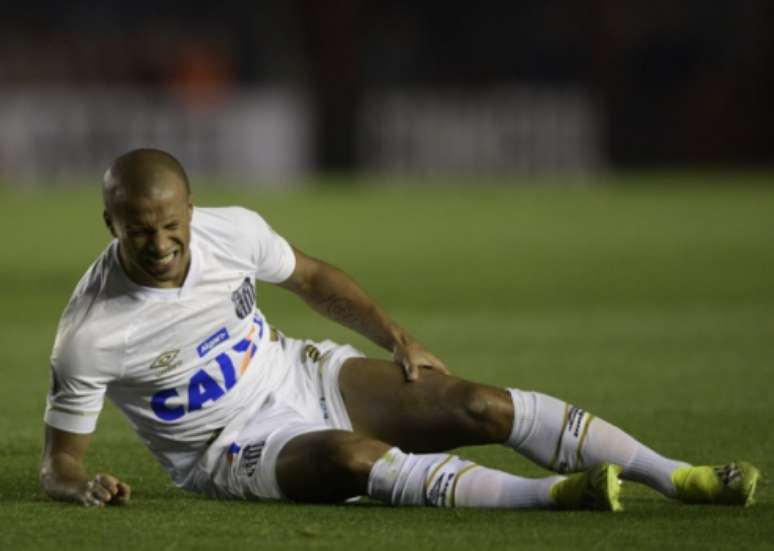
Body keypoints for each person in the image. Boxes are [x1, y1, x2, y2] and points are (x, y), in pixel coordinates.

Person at [40, 148, 759, 510]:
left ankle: (681, 476)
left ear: (192, 209)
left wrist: (395, 335)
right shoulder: (91, 331)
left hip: (299, 373)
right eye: (141, 232)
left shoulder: (233, 231)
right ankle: (553, 496)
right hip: (227, 447)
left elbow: (316, 279)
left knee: (478, 403)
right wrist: (81, 487)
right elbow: (58, 461)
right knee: (359, 460)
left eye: (171, 225)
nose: (161, 243)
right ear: (111, 226)